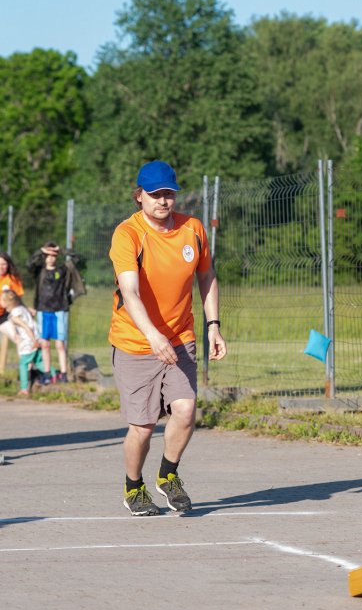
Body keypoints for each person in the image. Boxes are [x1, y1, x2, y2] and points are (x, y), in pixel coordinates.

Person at [110, 160, 227, 516]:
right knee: (143, 427)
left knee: (186, 410)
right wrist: (152, 335)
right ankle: (133, 487)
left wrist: (214, 325)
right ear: (139, 196)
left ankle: (168, 476)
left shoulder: (193, 230)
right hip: (135, 341)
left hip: (180, 337)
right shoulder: (127, 234)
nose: (163, 201)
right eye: (155, 194)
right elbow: (129, 293)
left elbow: (206, 277)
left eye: (169, 194)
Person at [27, 241, 86, 384]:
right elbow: (29, 264)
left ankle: (64, 374)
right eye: (47, 255)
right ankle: (47, 373)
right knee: (45, 344)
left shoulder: (63, 269)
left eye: (54, 255)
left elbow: (79, 260)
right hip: (43, 310)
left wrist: (63, 250)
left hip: (60, 310)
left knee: (60, 344)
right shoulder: (39, 270)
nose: (51, 258)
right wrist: (40, 251)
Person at [0, 289, 42, 397]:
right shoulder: (21, 309)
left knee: (23, 363)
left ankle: (24, 388)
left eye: (1, 299)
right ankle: (55, 376)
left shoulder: (15, 314)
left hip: (29, 340)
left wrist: (33, 341)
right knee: (39, 361)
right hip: (36, 336)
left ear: (7, 302)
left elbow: (26, 327)